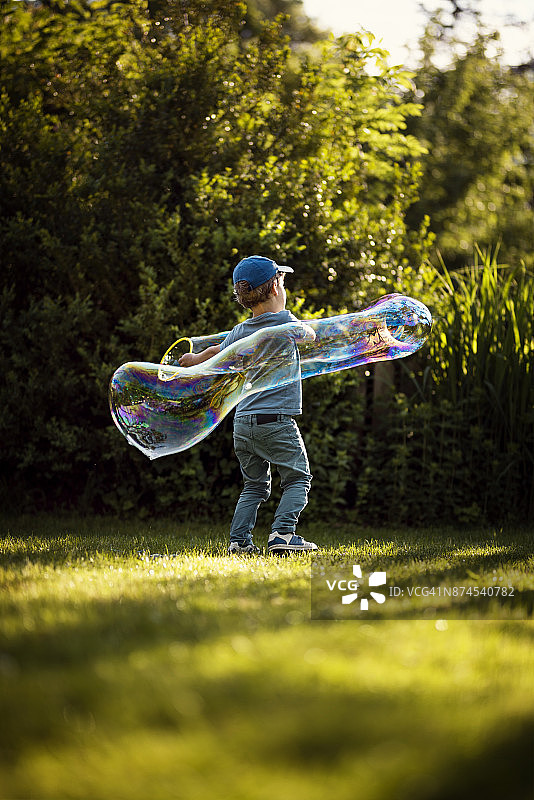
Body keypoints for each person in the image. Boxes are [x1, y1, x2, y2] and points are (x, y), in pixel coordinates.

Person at [179, 255, 318, 556]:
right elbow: (311, 335)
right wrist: (295, 325)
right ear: (275, 289)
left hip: (243, 422)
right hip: (276, 422)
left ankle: (239, 541)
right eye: (282, 283)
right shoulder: (286, 322)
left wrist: (193, 360)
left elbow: (217, 351)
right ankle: (283, 533)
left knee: (254, 485)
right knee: (298, 478)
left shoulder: (241, 331)